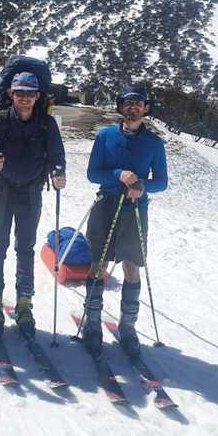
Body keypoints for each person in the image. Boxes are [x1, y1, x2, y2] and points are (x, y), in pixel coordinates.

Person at [81, 85, 168, 357]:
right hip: (105, 205)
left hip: (135, 210)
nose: (133, 107)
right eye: (128, 103)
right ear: (120, 107)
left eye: (138, 103)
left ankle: (127, 327)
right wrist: (118, 174)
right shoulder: (105, 136)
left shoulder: (154, 143)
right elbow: (93, 174)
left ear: (146, 108)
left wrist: (141, 186)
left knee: (132, 266)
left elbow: (162, 182)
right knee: (99, 263)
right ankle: (92, 325)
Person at [0, 71, 66, 339]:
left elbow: (56, 157)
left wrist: (58, 173)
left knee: (25, 248)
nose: (25, 98)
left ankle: (24, 302)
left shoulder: (47, 125)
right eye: (20, 93)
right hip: (1, 193)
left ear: (37, 96)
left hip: (30, 194)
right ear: (11, 94)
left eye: (30, 93)